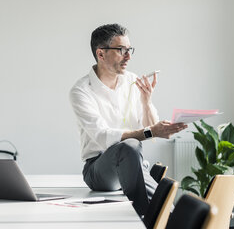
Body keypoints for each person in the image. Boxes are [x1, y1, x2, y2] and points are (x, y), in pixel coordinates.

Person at [69, 23, 187, 216]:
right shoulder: (81, 91)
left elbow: (151, 131)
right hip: (98, 171)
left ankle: (167, 217)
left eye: (129, 49)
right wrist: (150, 132)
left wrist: (147, 102)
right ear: (101, 54)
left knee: (131, 147)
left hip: (133, 164)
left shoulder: (132, 82)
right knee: (129, 145)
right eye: (121, 50)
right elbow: (102, 136)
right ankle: (161, 217)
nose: (129, 56)